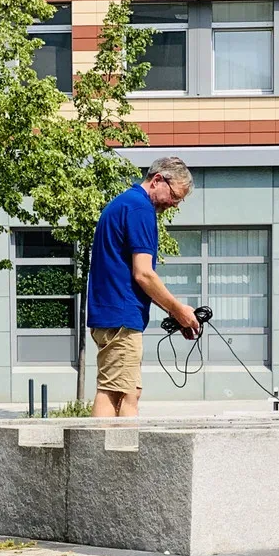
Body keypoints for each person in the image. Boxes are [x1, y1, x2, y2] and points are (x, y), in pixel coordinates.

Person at [87, 156, 200, 420]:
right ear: (158, 179)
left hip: (113, 313)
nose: (173, 204)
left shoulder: (123, 203)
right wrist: (179, 310)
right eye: (174, 196)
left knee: (129, 392)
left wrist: (174, 313)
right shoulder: (140, 209)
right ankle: (108, 448)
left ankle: (113, 446)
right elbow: (144, 274)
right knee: (116, 393)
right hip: (121, 316)